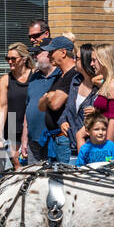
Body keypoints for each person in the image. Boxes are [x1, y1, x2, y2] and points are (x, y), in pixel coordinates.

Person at [37, 36, 83, 164]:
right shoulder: (59, 75)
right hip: (55, 140)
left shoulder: (73, 74)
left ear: (63, 52)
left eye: (52, 52)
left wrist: (49, 97)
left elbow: (55, 104)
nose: (49, 56)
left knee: (66, 179)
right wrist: (49, 96)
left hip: (65, 139)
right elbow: (41, 106)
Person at [88, 44, 114, 157]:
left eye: (94, 60)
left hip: (112, 146)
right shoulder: (107, 83)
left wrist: (106, 150)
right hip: (100, 143)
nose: (91, 64)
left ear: (104, 61)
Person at [0, 42, 34, 168]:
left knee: (31, 168)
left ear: (24, 59)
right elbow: (2, 107)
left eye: (13, 58)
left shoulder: (36, 75)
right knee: (15, 168)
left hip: (30, 128)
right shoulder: (5, 79)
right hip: (11, 127)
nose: (10, 61)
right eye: (8, 58)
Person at [21, 44, 59, 162]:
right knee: (34, 178)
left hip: (53, 141)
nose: (34, 57)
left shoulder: (60, 75)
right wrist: (24, 137)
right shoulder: (34, 77)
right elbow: (28, 107)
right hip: (33, 141)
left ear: (50, 53)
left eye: (37, 53)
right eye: (33, 54)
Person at [59, 43, 97, 157]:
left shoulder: (101, 86)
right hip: (73, 145)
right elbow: (68, 107)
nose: (74, 60)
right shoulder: (76, 81)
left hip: (93, 146)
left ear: (86, 61)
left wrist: (97, 111)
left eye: (77, 58)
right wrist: (63, 121)